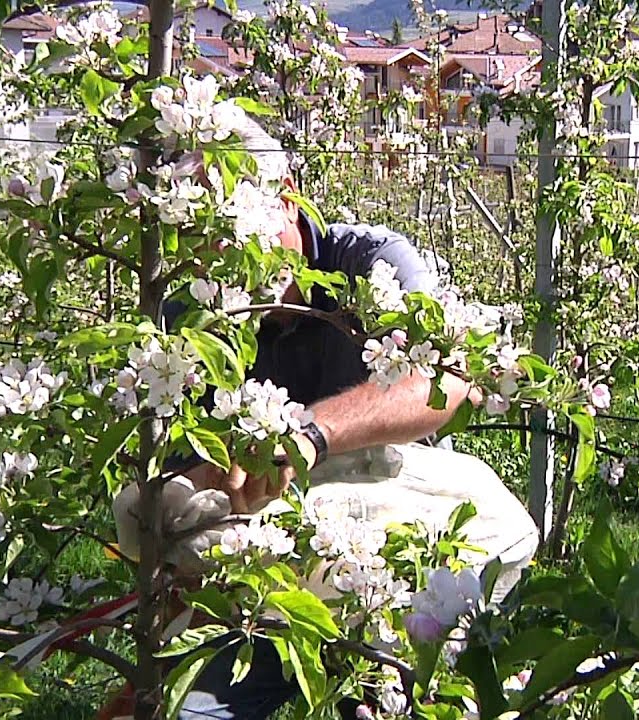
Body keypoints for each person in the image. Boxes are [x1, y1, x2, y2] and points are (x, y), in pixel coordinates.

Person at [110, 116, 540, 720]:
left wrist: (310, 435)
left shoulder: (372, 267)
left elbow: (446, 381)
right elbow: (198, 462)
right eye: (205, 248)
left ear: (287, 198)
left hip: (397, 558)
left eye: (239, 235)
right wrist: (204, 489)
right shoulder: (195, 317)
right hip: (263, 577)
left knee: (400, 701)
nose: (228, 266)